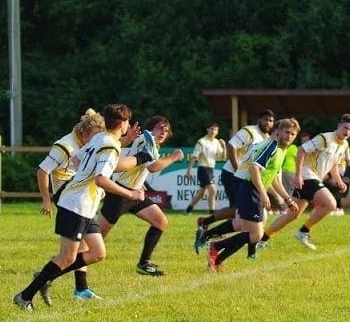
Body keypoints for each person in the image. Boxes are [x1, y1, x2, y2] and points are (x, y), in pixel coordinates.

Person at [13, 104, 148, 312]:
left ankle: (45, 276)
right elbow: (102, 179)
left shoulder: (101, 139)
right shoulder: (108, 145)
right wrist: (131, 193)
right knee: (67, 257)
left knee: (97, 252)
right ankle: (25, 295)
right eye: (127, 122)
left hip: (82, 204)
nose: (128, 126)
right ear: (122, 124)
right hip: (76, 204)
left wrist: (133, 153)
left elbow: (77, 160)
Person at [32, 108, 106, 305]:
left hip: (83, 197)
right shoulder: (65, 146)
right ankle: (70, 286)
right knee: (74, 251)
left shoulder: (87, 143)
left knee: (92, 250)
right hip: (69, 199)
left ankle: (66, 283)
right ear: (85, 132)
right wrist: (46, 200)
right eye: (96, 136)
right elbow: (42, 171)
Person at [207, 118, 301, 271]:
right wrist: (264, 194)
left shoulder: (282, 150)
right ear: (279, 131)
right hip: (249, 188)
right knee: (255, 234)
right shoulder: (272, 146)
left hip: (253, 189)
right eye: (287, 132)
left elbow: (274, 179)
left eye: (293, 134)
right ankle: (215, 247)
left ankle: (217, 259)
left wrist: (288, 199)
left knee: (251, 232)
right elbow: (253, 168)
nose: (289, 136)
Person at [98, 116, 184, 276]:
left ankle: (144, 263)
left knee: (160, 221)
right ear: (150, 129)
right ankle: (59, 264)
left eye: (166, 130)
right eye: (160, 128)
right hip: (119, 194)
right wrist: (173, 157)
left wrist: (140, 182)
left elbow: (141, 167)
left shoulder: (150, 143)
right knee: (94, 241)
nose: (163, 132)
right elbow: (153, 167)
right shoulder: (147, 140)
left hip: (135, 194)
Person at [258, 114, 350, 251]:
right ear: (339, 125)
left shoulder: (344, 145)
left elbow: (333, 164)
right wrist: (298, 175)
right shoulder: (324, 138)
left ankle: (262, 240)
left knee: (292, 214)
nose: (347, 132)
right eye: (345, 128)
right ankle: (303, 231)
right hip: (307, 176)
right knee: (331, 204)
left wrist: (339, 181)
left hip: (312, 179)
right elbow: (301, 150)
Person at [194, 109, 275, 253]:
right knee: (240, 213)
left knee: (241, 213)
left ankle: (206, 224)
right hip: (233, 174)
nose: (268, 123)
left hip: (246, 177)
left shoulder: (267, 138)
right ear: (259, 120)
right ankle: (209, 233)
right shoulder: (250, 131)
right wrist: (237, 169)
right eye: (265, 119)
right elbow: (232, 145)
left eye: (271, 120)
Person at [184, 122, 226, 215]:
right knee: (213, 190)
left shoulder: (216, 142)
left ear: (217, 131)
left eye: (215, 129)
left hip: (210, 169)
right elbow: (194, 156)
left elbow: (221, 157)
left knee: (201, 193)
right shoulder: (201, 141)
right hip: (203, 168)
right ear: (207, 130)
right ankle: (212, 212)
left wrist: (224, 146)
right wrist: (188, 171)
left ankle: (188, 210)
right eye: (211, 129)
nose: (213, 131)